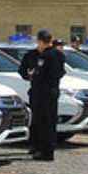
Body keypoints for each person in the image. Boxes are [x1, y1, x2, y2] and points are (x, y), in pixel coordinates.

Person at [17, 29, 66, 160]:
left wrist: (34, 75)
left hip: (44, 92)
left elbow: (42, 73)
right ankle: (38, 146)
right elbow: (23, 71)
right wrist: (30, 75)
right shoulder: (35, 54)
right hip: (45, 91)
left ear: (40, 41)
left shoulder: (48, 55)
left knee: (45, 122)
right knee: (42, 121)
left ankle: (46, 151)